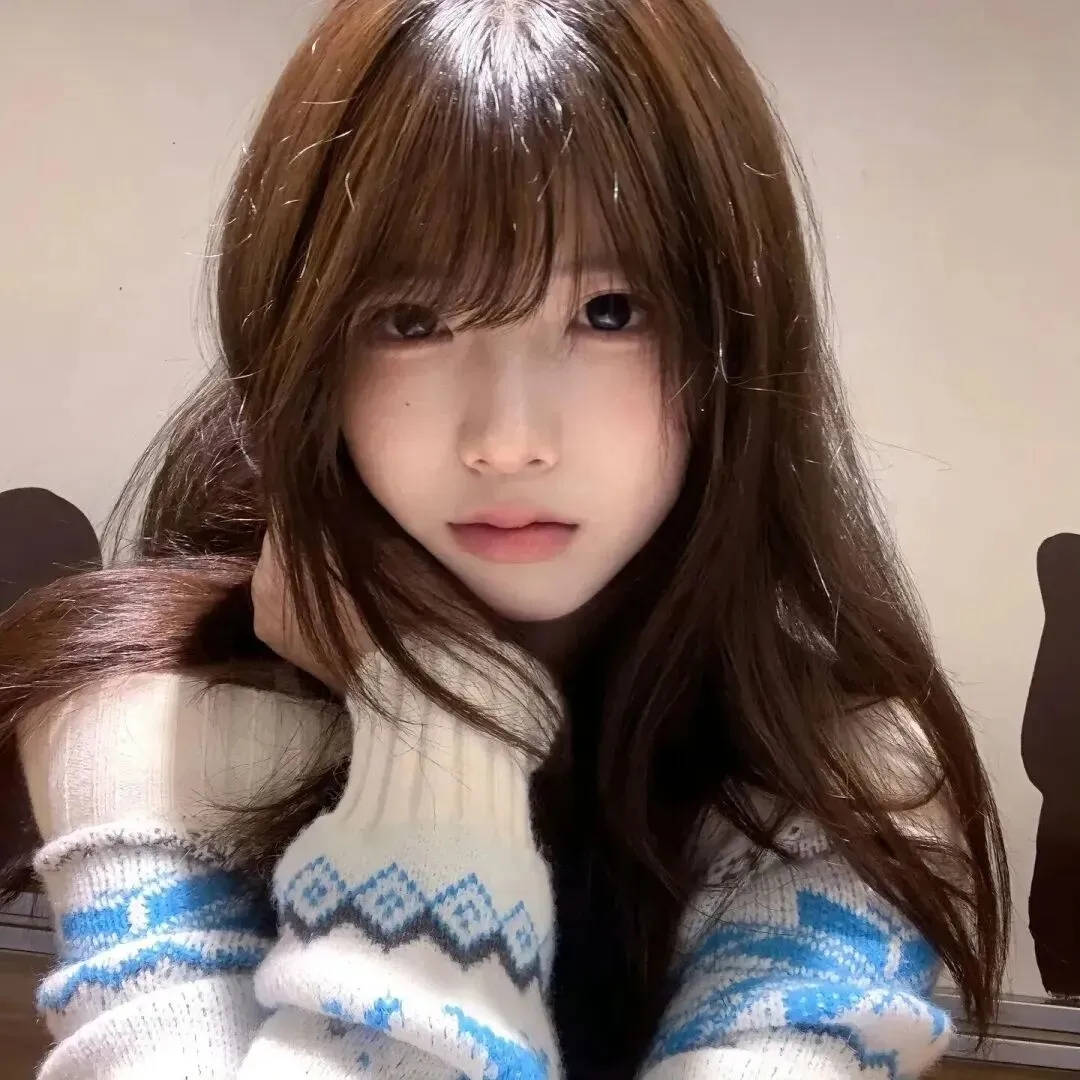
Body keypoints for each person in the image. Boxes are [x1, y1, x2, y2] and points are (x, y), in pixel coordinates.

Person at [0, 0, 1008, 1077]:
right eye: (411, 321)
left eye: (610, 312)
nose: (507, 440)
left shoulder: (848, 778)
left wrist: (432, 711)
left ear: (736, 342)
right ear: (303, 345)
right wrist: (442, 718)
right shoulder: (150, 728)